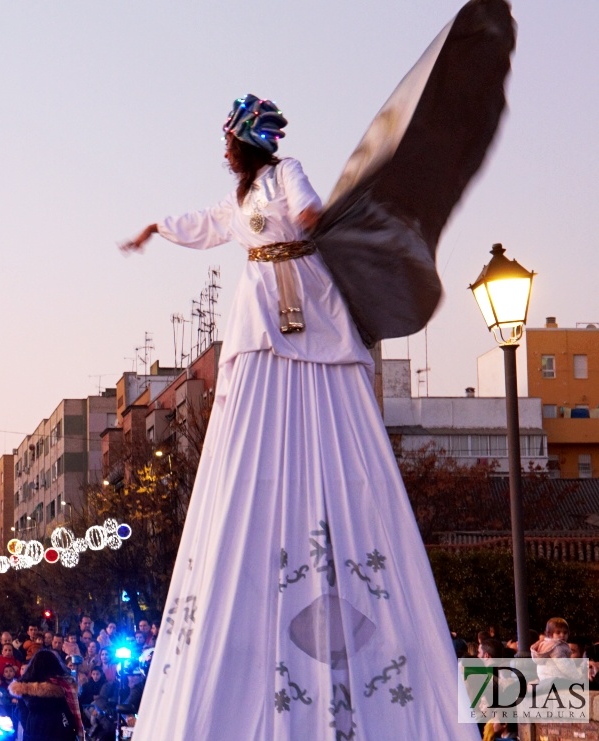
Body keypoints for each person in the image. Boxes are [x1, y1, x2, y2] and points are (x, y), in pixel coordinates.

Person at [120, 94, 471, 739]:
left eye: (228, 139)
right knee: (253, 367)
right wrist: (157, 228)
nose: (224, 149)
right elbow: (206, 222)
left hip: (304, 288)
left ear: (244, 143)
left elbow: (308, 208)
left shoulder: (283, 175)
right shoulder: (243, 199)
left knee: (316, 367)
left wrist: (307, 215)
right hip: (261, 301)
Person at [9, 649, 83, 741]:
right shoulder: (65, 687)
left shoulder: (24, 689)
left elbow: (23, 716)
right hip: (61, 734)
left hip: (33, 734)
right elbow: (76, 713)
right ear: (56, 665)